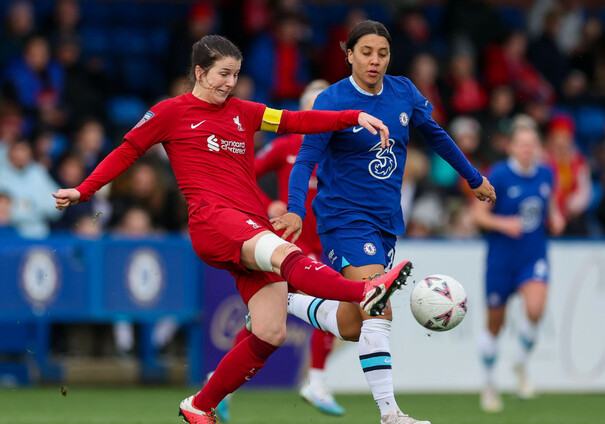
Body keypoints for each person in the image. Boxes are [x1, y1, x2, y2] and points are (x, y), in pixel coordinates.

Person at [51, 34, 412, 424]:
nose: (230, 83)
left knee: (270, 331)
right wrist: (84, 190)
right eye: (223, 74)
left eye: (235, 75)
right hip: (214, 220)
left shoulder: (245, 111)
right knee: (286, 254)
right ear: (199, 72)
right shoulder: (170, 112)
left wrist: (351, 117)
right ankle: (366, 292)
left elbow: (294, 121)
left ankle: (199, 405)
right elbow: (127, 150)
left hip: (249, 222)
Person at [273, 21, 496, 424]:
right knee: (378, 307)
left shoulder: (403, 91)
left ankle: (280, 301)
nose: (374, 60)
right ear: (349, 55)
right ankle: (390, 413)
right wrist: (295, 209)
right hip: (344, 217)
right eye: (366, 52)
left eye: (382, 53)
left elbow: (436, 135)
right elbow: (305, 159)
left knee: (352, 324)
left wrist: (472, 176)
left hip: (385, 222)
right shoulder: (331, 99)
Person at [217, 80, 344, 422]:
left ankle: (220, 385)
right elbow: (243, 175)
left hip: (327, 241)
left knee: (266, 319)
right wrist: (266, 204)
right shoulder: (286, 145)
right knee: (328, 299)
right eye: (313, 106)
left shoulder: (339, 150)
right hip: (291, 241)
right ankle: (316, 381)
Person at [472, 120, 565, 413]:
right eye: (522, 144)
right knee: (494, 324)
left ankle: (520, 364)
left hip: (533, 255)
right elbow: (478, 215)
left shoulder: (546, 173)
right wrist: (504, 223)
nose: (528, 149)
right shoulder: (498, 174)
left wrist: (556, 217)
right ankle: (489, 383)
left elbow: (549, 206)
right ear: (511, 146)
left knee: (535, 309)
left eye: (532, 144)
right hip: (501, 259)